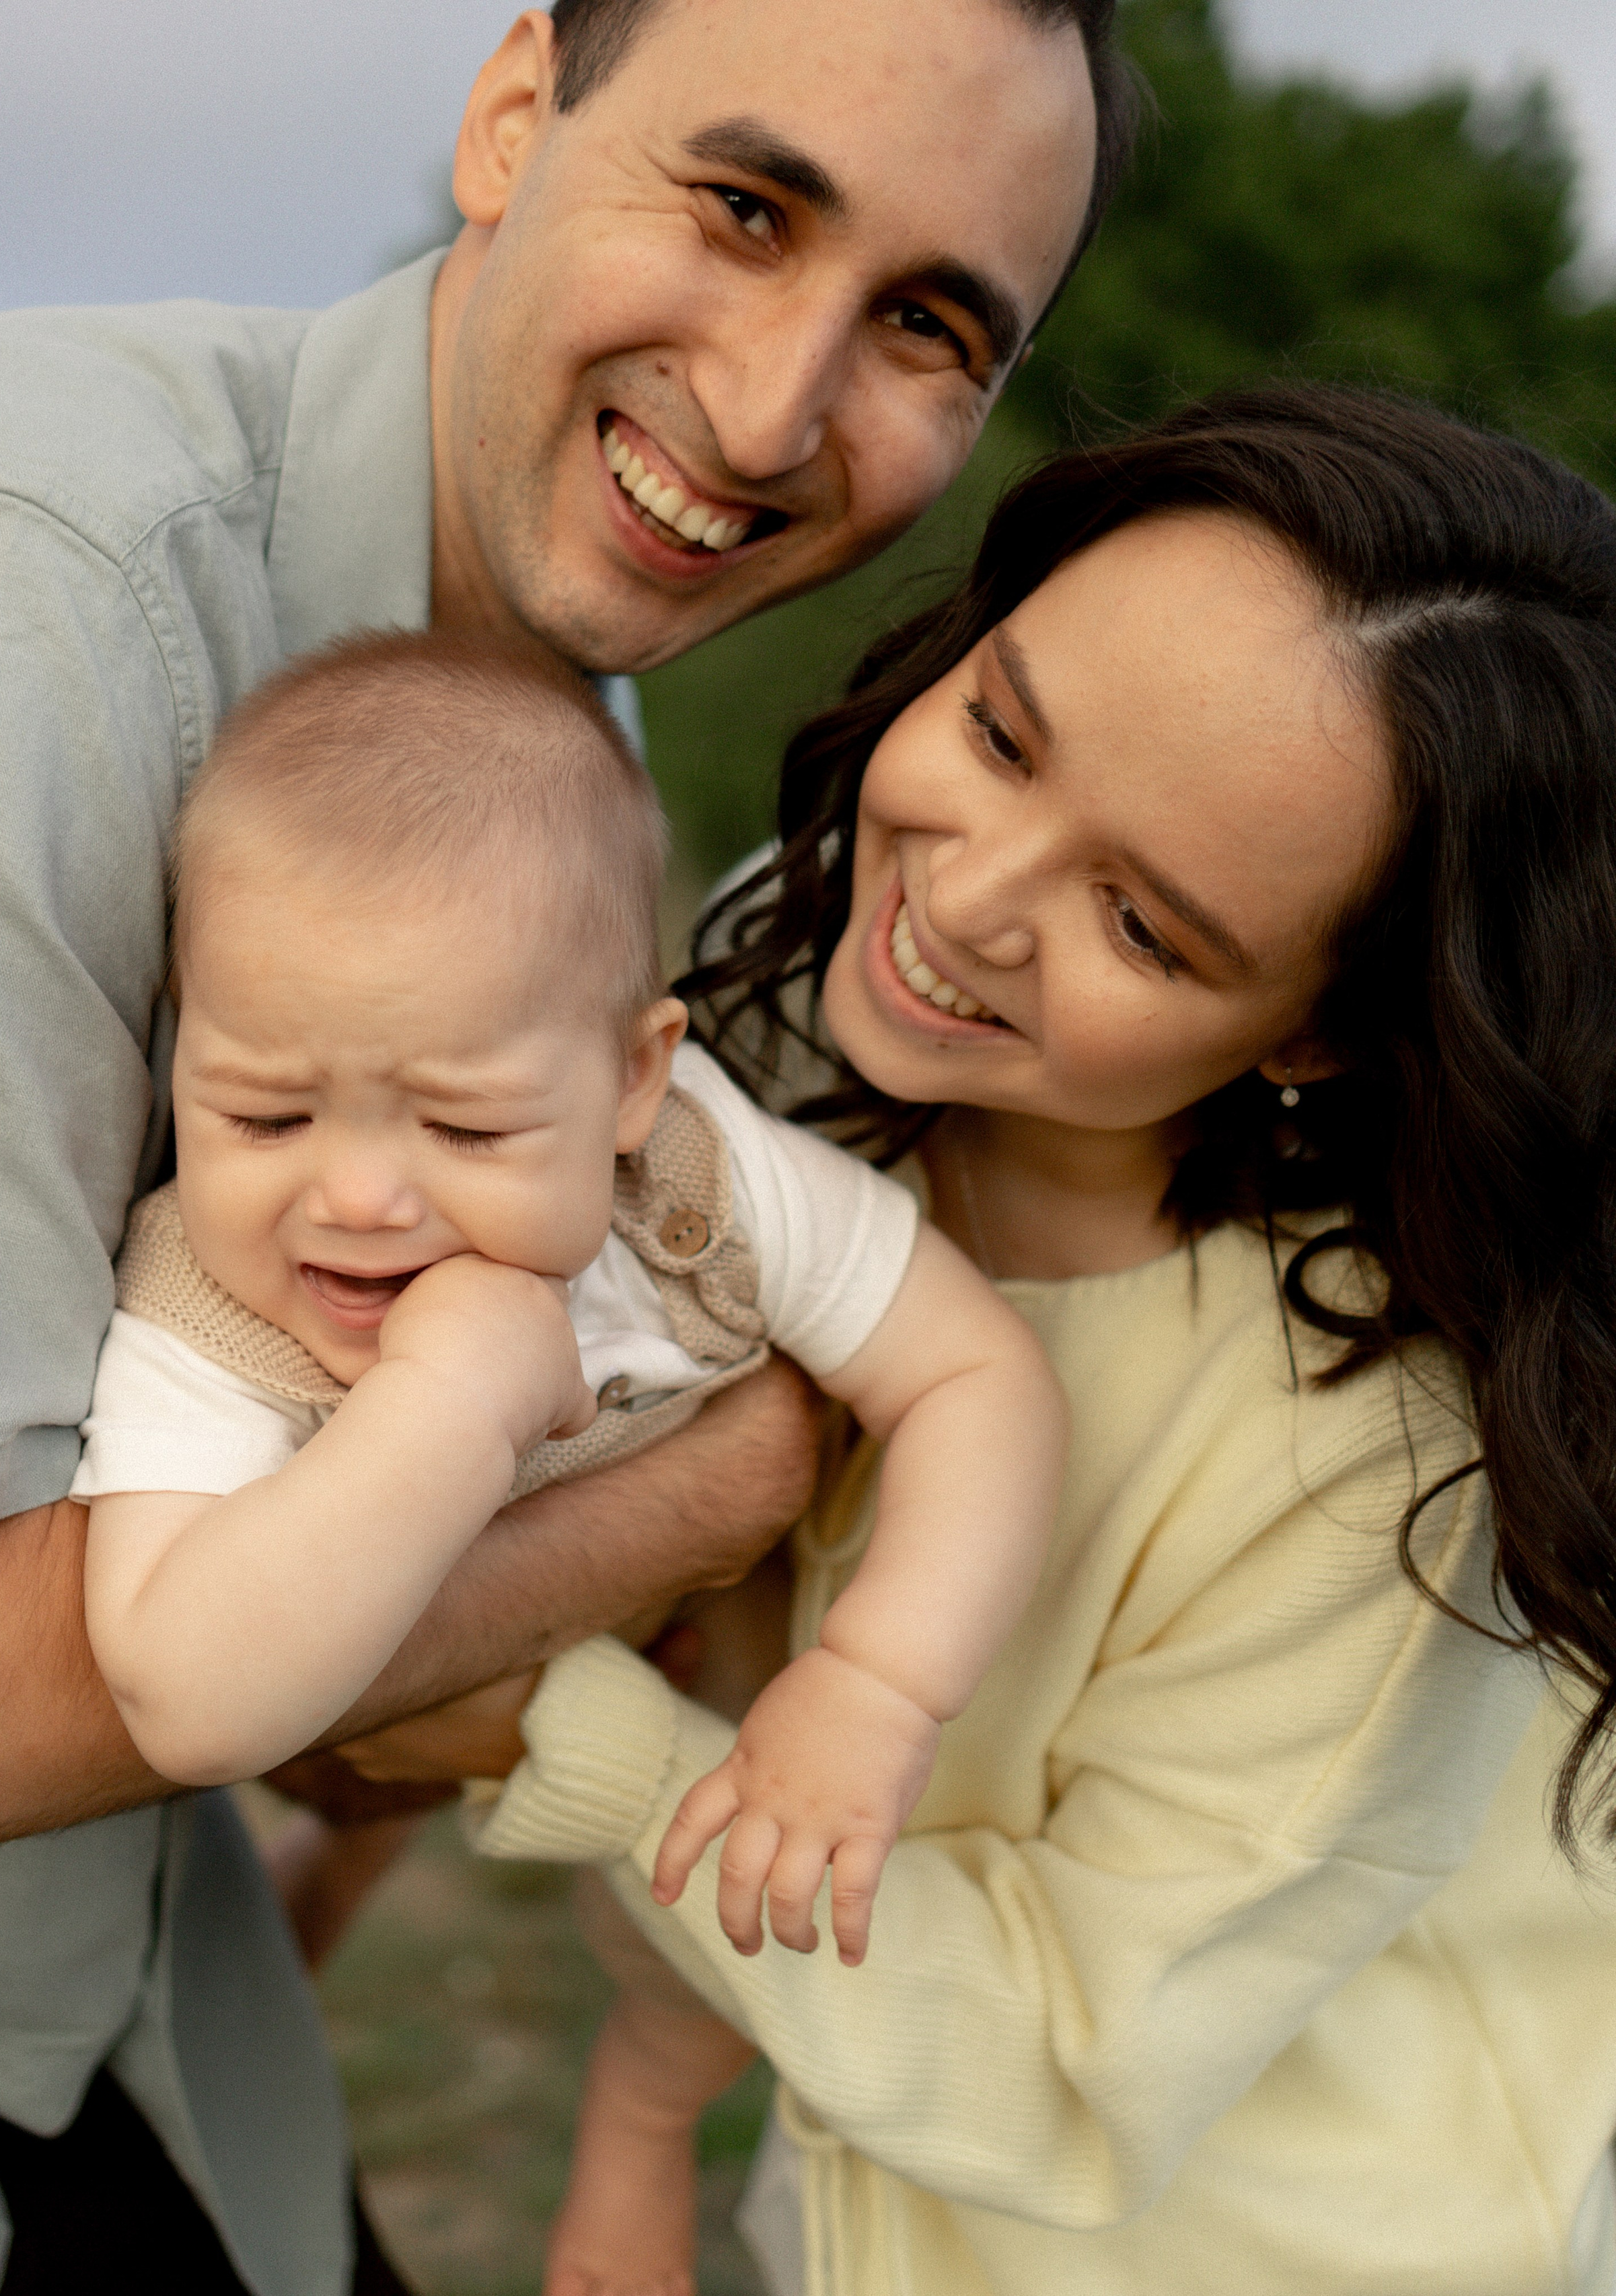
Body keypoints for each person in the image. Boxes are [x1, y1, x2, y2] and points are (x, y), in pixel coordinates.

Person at [0, 3, 1138, 2289]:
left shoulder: (551, 703)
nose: (771, 413)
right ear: (505, 118)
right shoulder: (14, 610)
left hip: (147, 2016)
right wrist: (717, 1481)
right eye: (745, 207)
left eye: (928, 327)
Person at [348, 385, 1616, 2295]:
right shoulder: (785, 1006)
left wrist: (551, 1718)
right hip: (855, 2209)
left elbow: (1060, 2063)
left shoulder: (1372, 1469)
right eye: (1004, 729)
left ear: (1325, 1029)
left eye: (1144, 922)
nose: (961, 893)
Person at [70, 626, 1064, 2287]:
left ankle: (632, 2118)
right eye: (260, 1112)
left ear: (630, 1073)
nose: (359, 1199)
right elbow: (190, 1697)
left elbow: (975, 1375)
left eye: (462, 1129)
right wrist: (445, 1408)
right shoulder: (207, 1309)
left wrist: (879, 1681)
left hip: (739, 1678)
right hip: (450, 1655)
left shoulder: (702, 1182)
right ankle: (362, 1898)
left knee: (726, 1911)